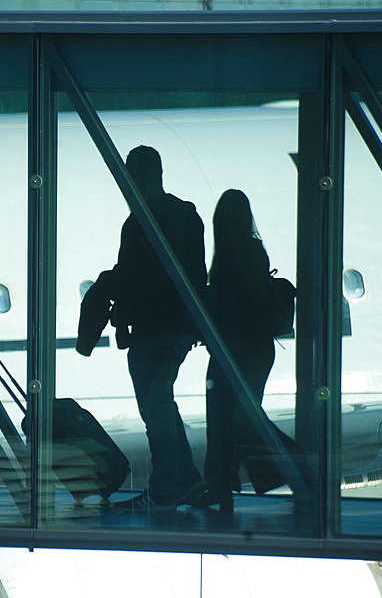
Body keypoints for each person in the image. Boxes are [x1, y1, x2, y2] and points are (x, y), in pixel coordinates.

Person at [111, 145, 207, 512]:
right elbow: (197, 274)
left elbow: (128, 279)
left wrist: (121, 322)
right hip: (179, 328)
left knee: (155, 409)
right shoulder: (187, 214)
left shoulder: (138, 221)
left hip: (151, 331)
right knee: (162, 403)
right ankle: (187, 480)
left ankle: (166, 486)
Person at [191, 188, 284, 513]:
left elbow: (231, 305)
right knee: (240, 419)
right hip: (253, 349)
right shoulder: (254, 251)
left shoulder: (229, 256)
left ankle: (225, 485)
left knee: (225, 420)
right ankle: (225, 484)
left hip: (235, 350)